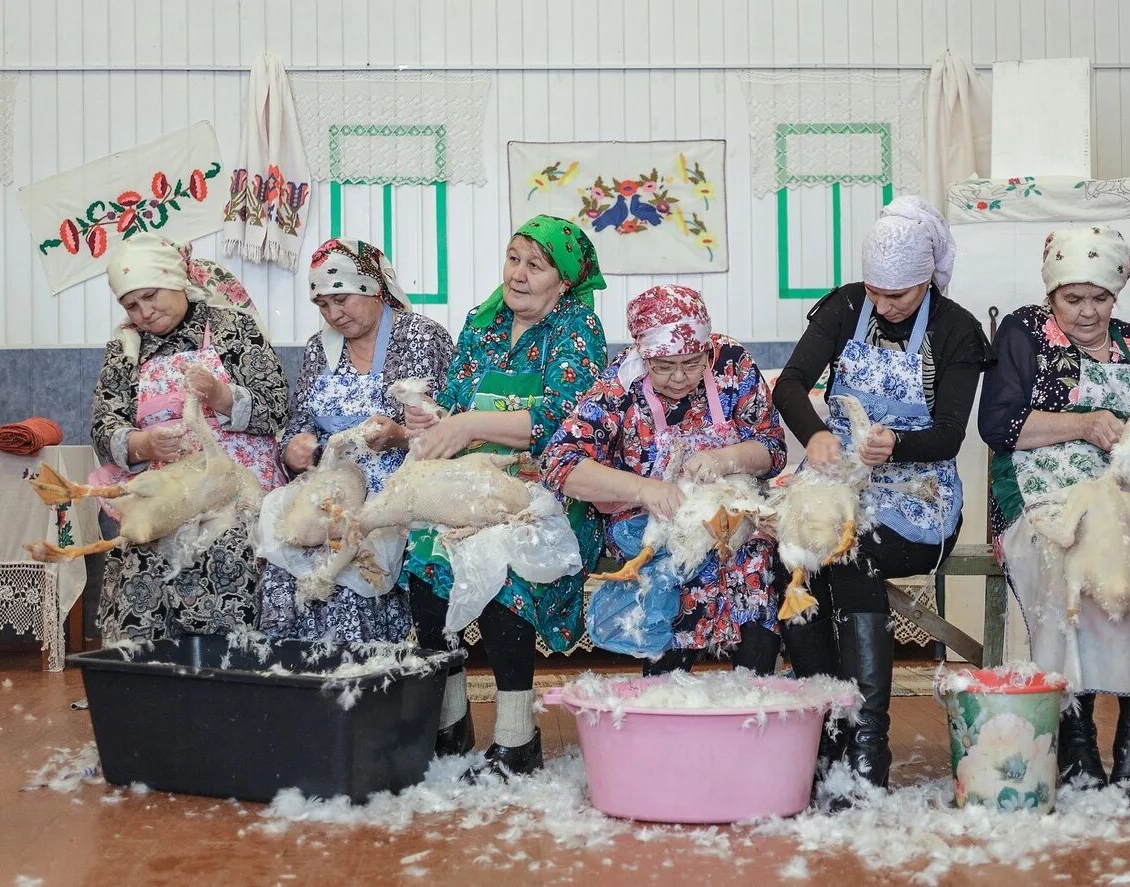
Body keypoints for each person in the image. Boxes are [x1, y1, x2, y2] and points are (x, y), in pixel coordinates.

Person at [978, 225, 1130, 801]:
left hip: (1120, 504)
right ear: (1051, 294)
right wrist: (1082, 425)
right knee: (1067, 564)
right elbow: (998, 425)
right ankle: (1078, 756)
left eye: (1099, 298)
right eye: (1072, 298)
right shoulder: (1024, 333)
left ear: (1116, 294)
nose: (1086, 312)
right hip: (1039, 501)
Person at [772, 196, 992, 789]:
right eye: (876, 291)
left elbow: (949, 435)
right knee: (792, 558)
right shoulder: (847, 306)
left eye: (899, 295)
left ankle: (867, 741)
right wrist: (816, 434)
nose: (884, 305)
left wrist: (896, 444)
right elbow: (790, 384)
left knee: (851, 553)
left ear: (927, 281)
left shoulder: (956, 330)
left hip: (918, 493)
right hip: (838, 478)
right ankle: (825, 724)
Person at [400, 215, 608, 777]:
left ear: (564, 280)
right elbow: (454, 398)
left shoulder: (577, 328)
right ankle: (450, 723)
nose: (518, 274)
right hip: (475, 482)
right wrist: (433, 416)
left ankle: (518, 738)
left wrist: (468, 425)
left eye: (535, 266)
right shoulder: (482, 321)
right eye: (514, 258)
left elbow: (563, 417)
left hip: (548, 488)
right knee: (424, 560)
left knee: (501, 565)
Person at [541, 284, 787, 675]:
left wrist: (726, 459)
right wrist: (644, 489)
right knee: (673, 562)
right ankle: (667, 690)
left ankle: (752, 688)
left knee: (753, 556)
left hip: (731, 514)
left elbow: (772, 447)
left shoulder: (732, 363)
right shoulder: (619, 386)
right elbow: (560, 463)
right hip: (647, 523)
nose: (679, 377)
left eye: (692, 363)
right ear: (643, 354)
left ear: (707, 350)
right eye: (663, 366)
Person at [90, 233, 289, 642]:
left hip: (238, 486)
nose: (145, 312)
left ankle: (229, 666)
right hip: (169, 489)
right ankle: (150, 670)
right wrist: (142, 445)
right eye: (131, 305)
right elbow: (103, 425)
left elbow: (278, 406)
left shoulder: (234, 327)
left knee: (228, 548)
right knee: (143, 552)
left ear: (175, 279)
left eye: (150, 296)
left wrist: (220, 396)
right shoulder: (126, 348)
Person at [257, 239, 454, 643]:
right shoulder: (319, 349)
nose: (333, 315)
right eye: (322, 305)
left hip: (400, 487)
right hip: (333, 483)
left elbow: (449, 423)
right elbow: (300, 420)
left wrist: (400, 437)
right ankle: (297, 672)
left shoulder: (422, 337)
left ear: (373, 288)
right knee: (293, 550)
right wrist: (296, 448)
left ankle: (368, 669)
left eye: (341, 299)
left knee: (353, 558)